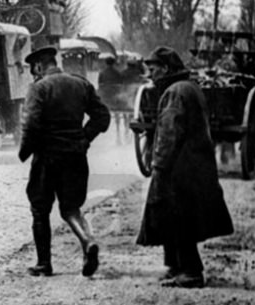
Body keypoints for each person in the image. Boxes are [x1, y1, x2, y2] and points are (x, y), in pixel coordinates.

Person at [137, 46, 233, 289]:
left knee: (179, 216)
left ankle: (191, 271)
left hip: (180, 167)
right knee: (175, 214)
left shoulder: (174, 93)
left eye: (154, 69)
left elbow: (169, 134)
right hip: (193, 164)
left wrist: (159, 166)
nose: (150, 75)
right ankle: (176, 266)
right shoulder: (188, 88)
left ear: (166, 69)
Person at [18, 45, 110, 276]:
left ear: (39, 65)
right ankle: (88, 241)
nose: (34, 73)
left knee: (40, 210)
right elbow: (103, 117)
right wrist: (83, 138)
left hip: (47, 158)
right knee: (71, 208)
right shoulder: (81, 84)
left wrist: (24, 151)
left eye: (33, 69)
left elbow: (30, 125)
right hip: (76, 157)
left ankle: (44, 264)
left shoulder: (38, 88)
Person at [97, 53, 125, 144]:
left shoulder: (102, 73)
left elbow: (99, 85)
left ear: (106, 63)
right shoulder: (118, 73)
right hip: (115, 97)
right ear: (113, 63)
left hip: (105, 97)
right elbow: (121, 85)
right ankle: (118, 135)